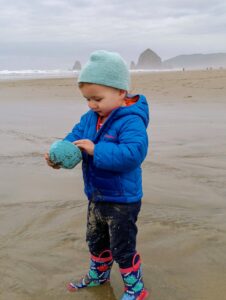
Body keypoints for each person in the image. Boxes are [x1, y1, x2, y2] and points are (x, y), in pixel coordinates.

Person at [45, 50, 149, 300]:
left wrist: (96, 149)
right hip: (97, 194)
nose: (92, 105)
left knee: (122, 247)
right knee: (95, 239)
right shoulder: (90, 118)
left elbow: (133, 154)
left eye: (97, 98)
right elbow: (75, 137)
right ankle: (99, 275)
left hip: (123, 199)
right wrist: (59, 155)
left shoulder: (131, 121)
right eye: (87, 99)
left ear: (121, 92)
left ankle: (136, 289)